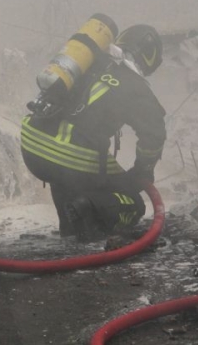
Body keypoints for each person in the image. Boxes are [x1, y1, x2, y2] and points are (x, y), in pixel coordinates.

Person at [21, 22, 167, 241]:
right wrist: (142, 170)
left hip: (32, 144)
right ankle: (88, 208)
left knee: (63, 171)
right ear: (148, 57)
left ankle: (72, 228)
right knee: (133, 203)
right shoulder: (135, 86)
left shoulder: (89, 62)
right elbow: (154, 134)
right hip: (70, 155)